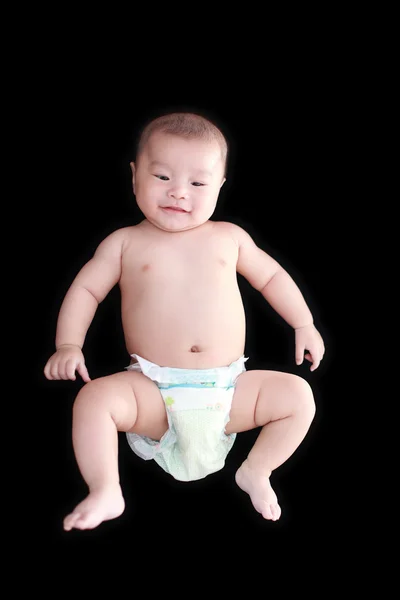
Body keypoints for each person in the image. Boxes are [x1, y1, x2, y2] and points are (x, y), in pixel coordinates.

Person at [44, 111, 325, 531]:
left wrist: (303, 323)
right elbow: (86, 291)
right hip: (154, 393)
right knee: (94, 400)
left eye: (197, 183)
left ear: (220, 186)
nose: (179, 193)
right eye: (162, 178)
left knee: (299, 396)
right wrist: (68, 345)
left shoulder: (229, 237)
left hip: (229, 392)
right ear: (135, 175)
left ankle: (257, 470)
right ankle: (105, 488)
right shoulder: (125, 243)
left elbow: (272, 277)